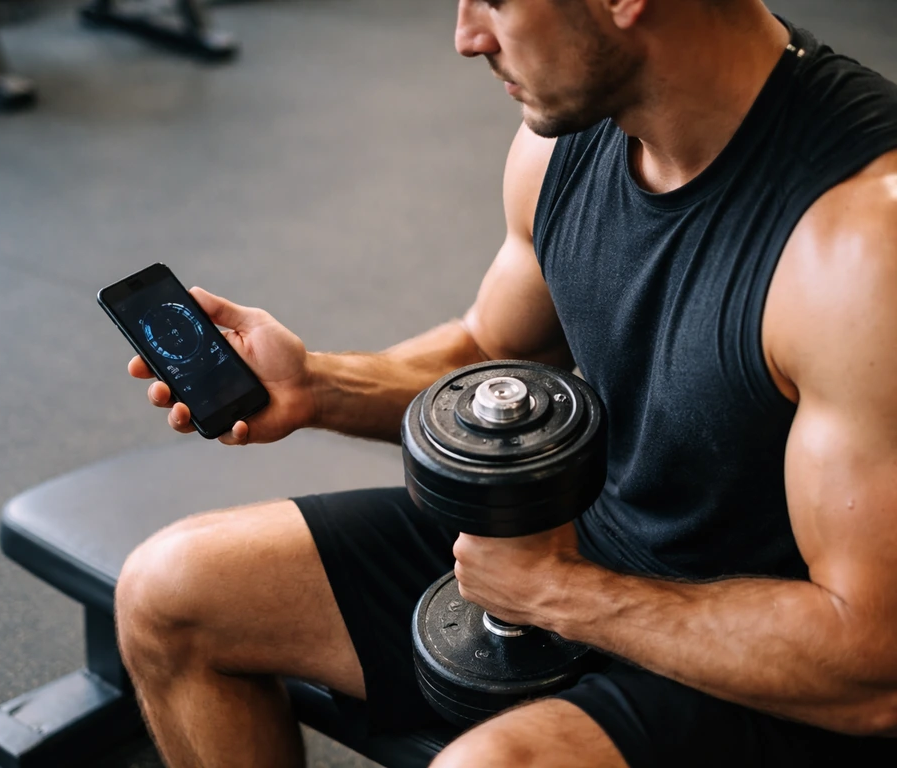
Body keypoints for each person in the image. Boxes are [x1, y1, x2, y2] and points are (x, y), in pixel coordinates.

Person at [113, 1, 897, 766]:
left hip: (784, 676)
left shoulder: (860, 244)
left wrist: (562, 595)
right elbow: (491, 350)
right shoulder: (564, 141)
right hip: (574, 550)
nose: (466, 36)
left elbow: (872, 668)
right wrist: (320, 384)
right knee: (169, 592)